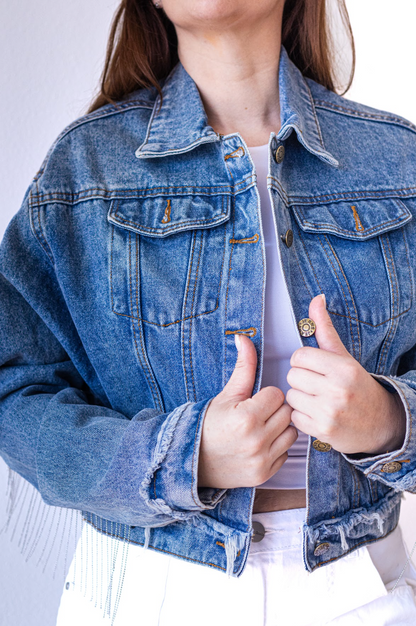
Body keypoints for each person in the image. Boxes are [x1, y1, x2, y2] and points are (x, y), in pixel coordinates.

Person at [1, 0, 416, 624]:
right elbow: (13, 391)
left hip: (362, 588)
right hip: (149, 592)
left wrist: (389, 420)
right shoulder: (85, 170)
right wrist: (181, 460)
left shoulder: (397, 160)